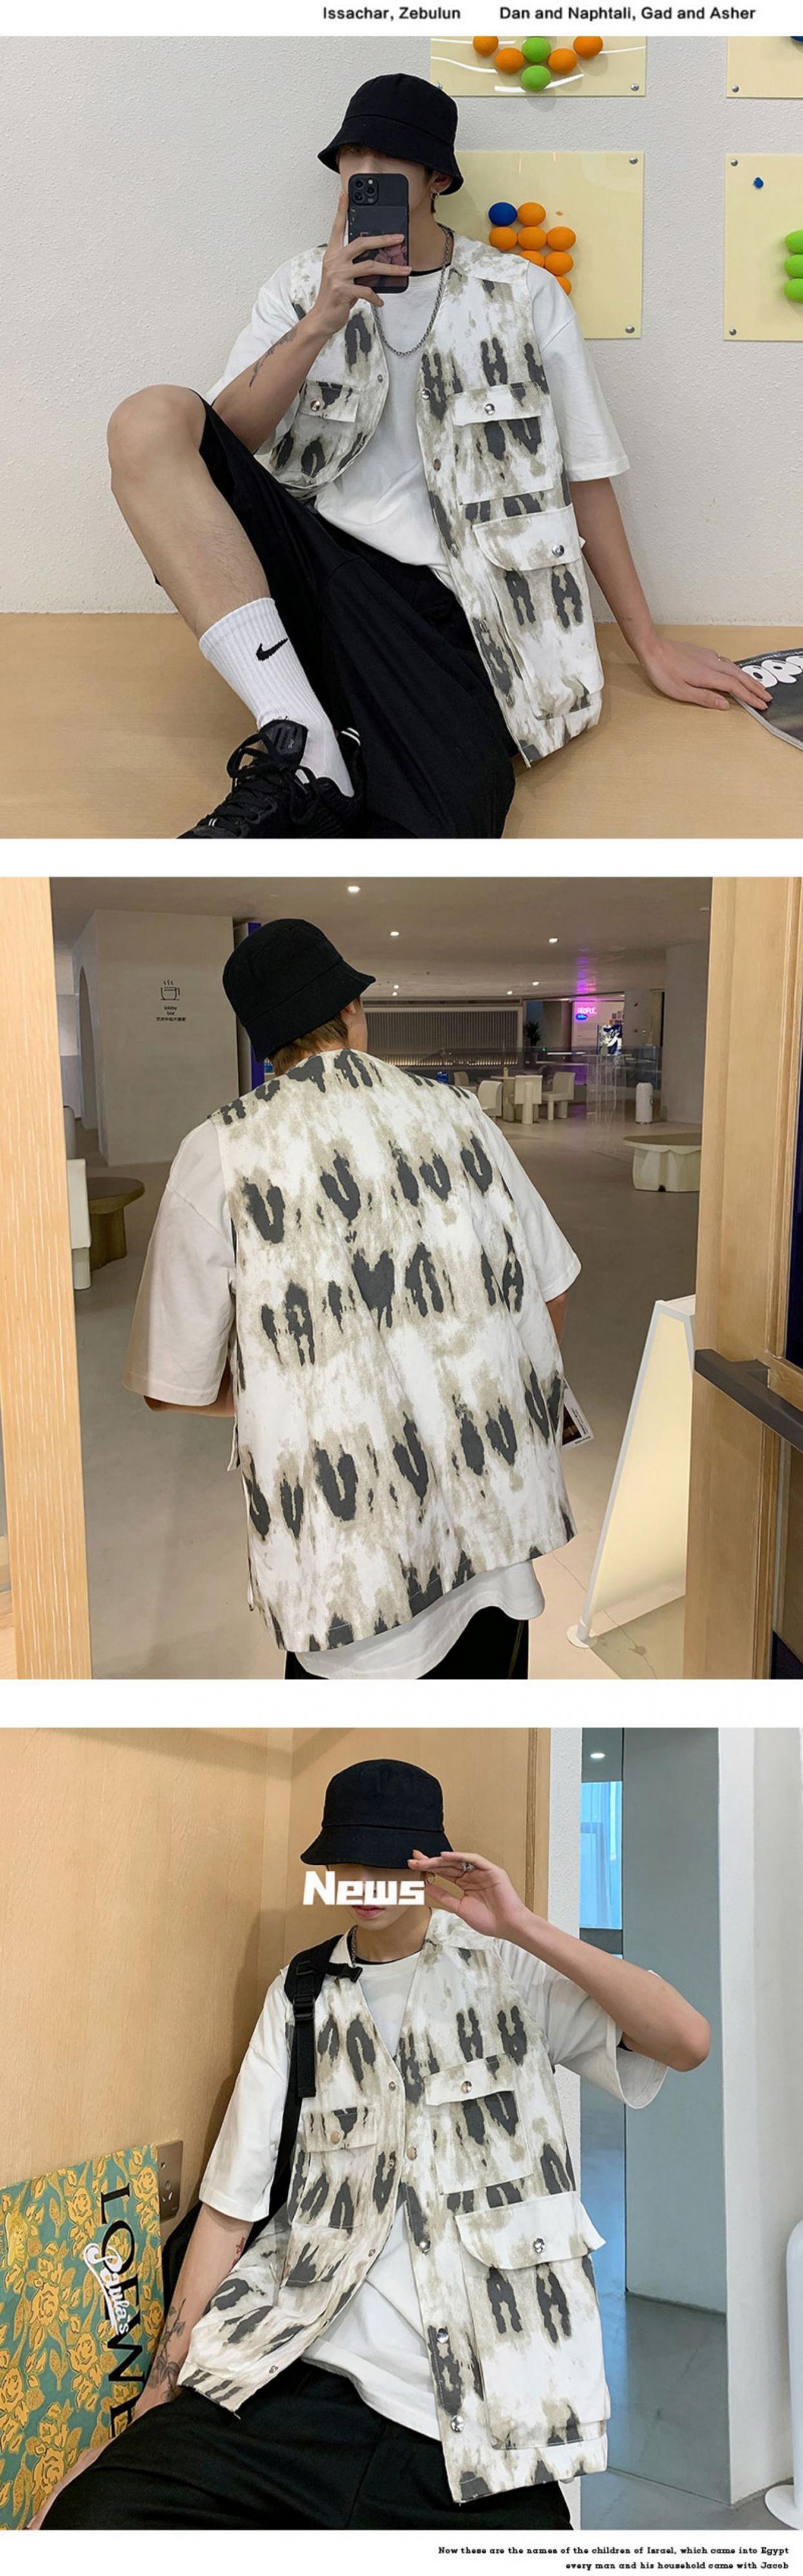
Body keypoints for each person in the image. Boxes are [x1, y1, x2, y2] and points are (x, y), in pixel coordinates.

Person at [39, 1757, 710, 2530]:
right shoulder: (300, 1995)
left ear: (429, 1865)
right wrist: (154, 2402)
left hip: (478, 2413)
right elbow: (228, 2210)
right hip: (289, 2379)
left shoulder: (507, 1973)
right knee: (90, 2520)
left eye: (388, 1862)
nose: (363, 1881)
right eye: (346, 1859)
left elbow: (685, 2040)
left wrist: (521, 1925)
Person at [105, 73, 771, 842]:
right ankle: (298, 729)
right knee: (149, 418)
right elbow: (217, 451)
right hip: (313, 565)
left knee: (455, 813)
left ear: (436, 180)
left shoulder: (522, 296)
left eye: (385, 160)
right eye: (350, 158)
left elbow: (584, 477)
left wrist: (646, 643)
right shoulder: (299, 287)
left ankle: (326, 754)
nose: (361, 173)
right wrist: (320, 321)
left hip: (458, 601)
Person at [124, 917, 584, 1681]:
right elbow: (550, 1292)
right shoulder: (461, 1117)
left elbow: (171, 1385)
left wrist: (297, 1389)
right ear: (350, 1011)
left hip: (347, 1585)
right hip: (493, 1551)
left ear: (265, 1043)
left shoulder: (219, 1152)